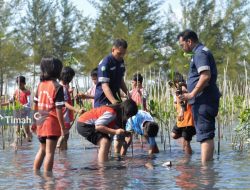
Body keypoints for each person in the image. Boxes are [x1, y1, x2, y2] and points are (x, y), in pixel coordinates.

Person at [177, 29, 221, 164]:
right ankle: (207, 170)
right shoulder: (201, 52)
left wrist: (191, 93)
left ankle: (206, 172)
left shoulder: (199, 53)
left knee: (205, 135)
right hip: (204, 99)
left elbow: (205, 75)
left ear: (189, 41)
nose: (182, 48)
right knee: (205, 134)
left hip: (204, 100)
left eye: (182, 45)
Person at [94, 39, 130, 156]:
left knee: (119, 131)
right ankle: (103, 163)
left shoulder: (121, 62)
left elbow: (120, 80)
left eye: (123, 54)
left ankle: (117, 156)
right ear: (113, 49)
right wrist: (114, 102)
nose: (121, 56)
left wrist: (127, 93)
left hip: (116, 101)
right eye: (119, 53)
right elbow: (105, 86)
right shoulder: (105, 63)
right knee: (104, 136)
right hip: (103, 102)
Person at [33, 57, 67, 172]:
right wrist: (63, 129)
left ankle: (36, 175)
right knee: (50, 153)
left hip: (40, 122)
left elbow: (35, 105)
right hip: (51, 124)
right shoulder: (57, 87)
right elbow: (58, 110)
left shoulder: (40, 85)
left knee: (42, 150)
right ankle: (48, 182)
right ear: (57, 70)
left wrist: (34, 122)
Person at [56, 66, 84, 150]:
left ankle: (63, 155)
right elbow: (64, 103)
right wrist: (76, 109)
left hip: (61, 115)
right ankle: (62, 154)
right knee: (65, 135)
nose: (71, 79)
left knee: (64, 135)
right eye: (71, 77)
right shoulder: (62, 88)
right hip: (64, 116)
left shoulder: (59, 86)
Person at [170, 72, 196, 155]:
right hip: (181, 120)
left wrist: (181, 111)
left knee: (186, 143)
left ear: (176, 83)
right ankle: (186, 147)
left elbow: (184, 100)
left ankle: (188, 160)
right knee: (174, 135)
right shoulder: (178, 90)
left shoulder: (183, 89)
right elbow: (177, 101)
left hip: (188, 118)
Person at [12, 76, 32, 148]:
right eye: (18, 84)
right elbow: (13, 99)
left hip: (26, 112)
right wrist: (11, 101)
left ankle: (29, 143)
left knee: (26, 129)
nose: (19, 85)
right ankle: (16, 143)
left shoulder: (27, 92)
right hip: (17, 112)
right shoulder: (16, 91)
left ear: (24, 83)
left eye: (21, 84)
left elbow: (29, 103)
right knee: (17, 128)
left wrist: (23, 106)